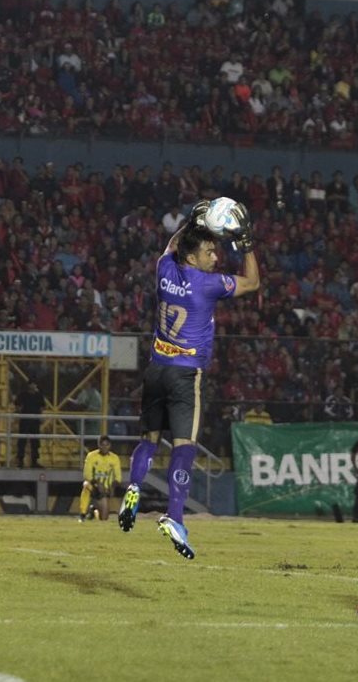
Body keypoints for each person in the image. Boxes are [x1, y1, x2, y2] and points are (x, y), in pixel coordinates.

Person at [118, 199, 259, 560]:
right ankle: (176, 517)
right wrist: (246, 243)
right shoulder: (208, 284)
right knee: (184, 448)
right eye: (210, 252)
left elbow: (172, 245)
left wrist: (192, 222)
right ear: (194, 259)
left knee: (149, 441)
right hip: (185, 375)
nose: (216, 257)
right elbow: (252, 282)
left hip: (155, 370)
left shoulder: (164, 267)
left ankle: (133, 486)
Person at [79, 435, 122, 521]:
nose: (105, 447)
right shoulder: (91, 456)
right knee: (86, 485)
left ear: (110, 445)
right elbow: (87, 475)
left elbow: (118, 477)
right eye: (102, 444)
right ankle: (82, 514)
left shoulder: (114, 458)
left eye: (107, 445)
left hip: (106, 489)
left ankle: (94, 512)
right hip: (94, 485)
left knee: (104, 519)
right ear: (99, 445)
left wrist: (112, 488)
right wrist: (97, 484)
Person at [14, 380, 45, 468]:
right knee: (22, 441)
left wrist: (41, 416)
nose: (33, 385)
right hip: (25, 420)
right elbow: (17, 404)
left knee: (35, 441)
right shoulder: (23, 394)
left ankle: (34, 461)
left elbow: (42, 406)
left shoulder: (39, 395)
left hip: (35, 421)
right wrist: (19, 412)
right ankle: (20, 460)